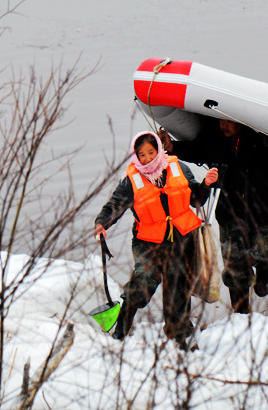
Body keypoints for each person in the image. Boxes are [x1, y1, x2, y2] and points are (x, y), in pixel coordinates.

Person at [159, 118, 268, 314]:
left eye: (228, 122)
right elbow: (196, 150)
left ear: (241, 121)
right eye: (221, 121)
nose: (223, 125)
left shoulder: (262, 140)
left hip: (264, 211)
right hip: (231, 213)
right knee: (235, 270)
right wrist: (172, 146)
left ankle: (263, 273)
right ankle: (241, 313)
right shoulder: (215, 141)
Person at [93, 131, 218, 345]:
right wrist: (101, 224)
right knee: (143, 283)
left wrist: (206, 184)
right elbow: (115, 205)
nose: (148, 158)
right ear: (136, 157)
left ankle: (178, 335)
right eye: (142, 155)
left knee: (178, 287)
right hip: (148, 242)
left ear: (159, 150)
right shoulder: (131, 181)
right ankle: (121, 328)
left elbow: (196, 199)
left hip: (181, 239)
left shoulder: (179, 168)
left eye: (151, 152)